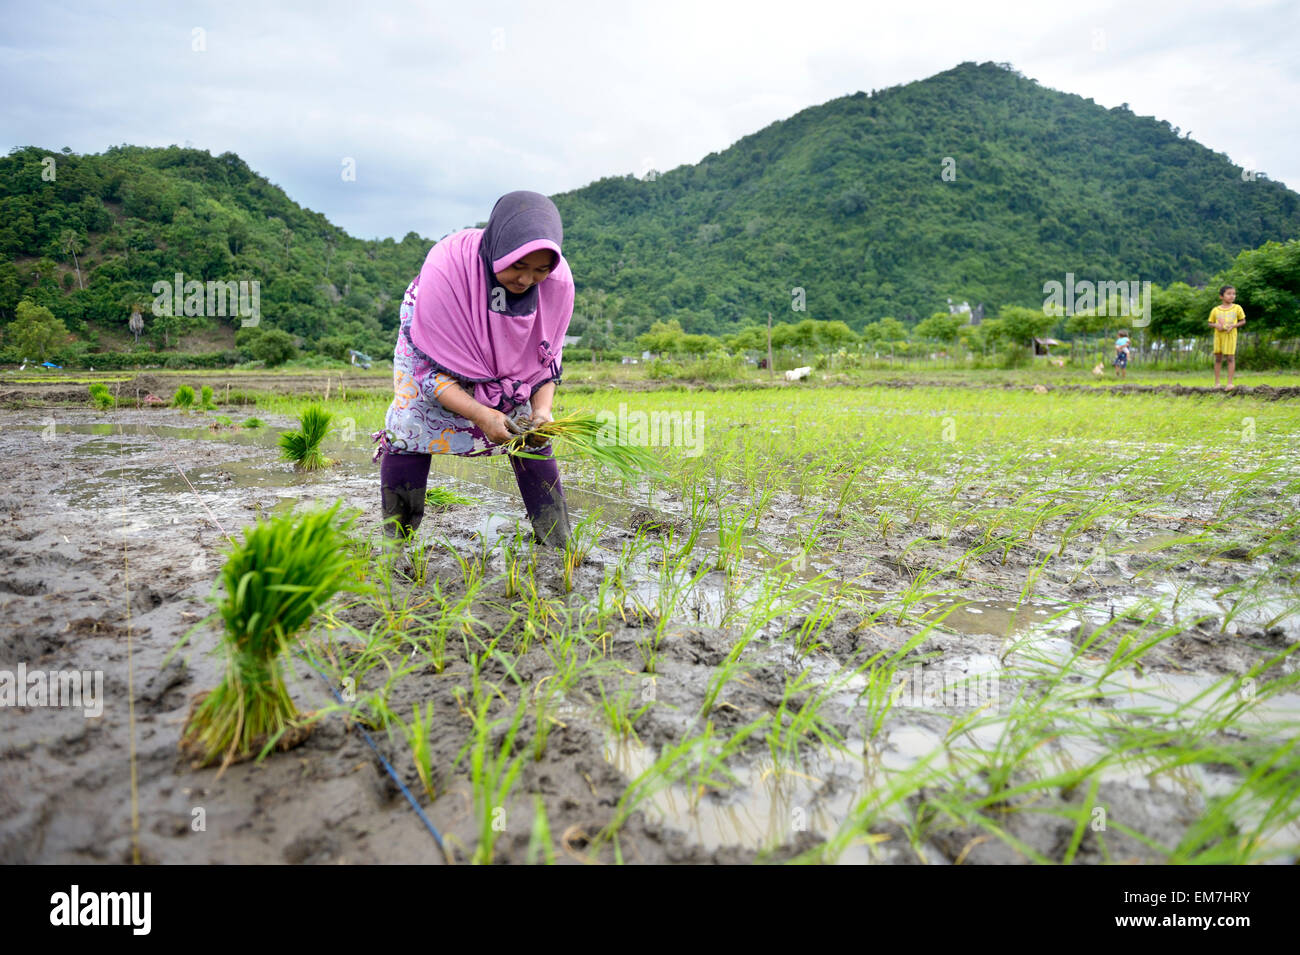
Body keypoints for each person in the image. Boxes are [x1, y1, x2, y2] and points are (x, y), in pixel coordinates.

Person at [373, 191, 574, 546]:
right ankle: (396, 541)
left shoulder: (555, 284)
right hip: (437, 346)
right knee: (410, 429)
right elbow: (428, 374)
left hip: (506, 365)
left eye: (540, 270)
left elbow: (546, 359)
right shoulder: (447, 271)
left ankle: (557, 540)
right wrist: (482, 414)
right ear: (499, 250)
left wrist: (543, 410)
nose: (527, 280)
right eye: (518, 266)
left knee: (530, 433)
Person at [1209, 285, 1245, 388]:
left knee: (1230, 358)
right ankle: (1217, 383)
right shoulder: (1216, 310)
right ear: (1221, 296)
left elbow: (1243, 321)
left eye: (1233, 294)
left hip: (1230, 336)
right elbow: (1210, 323)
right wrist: (1216, 326)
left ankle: (1230, 383)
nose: (1232, 296)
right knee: (1218, 358)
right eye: (1229, 294)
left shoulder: (1237, 308)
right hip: (1218, 337)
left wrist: (1233, 326)